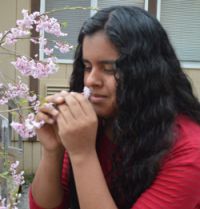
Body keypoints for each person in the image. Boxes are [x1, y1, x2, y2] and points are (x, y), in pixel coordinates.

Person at [29, 6, 200, 209]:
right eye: (87, 67)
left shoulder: (189, 150)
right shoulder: (94, 124)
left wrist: (83, 153)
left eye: (110, 69)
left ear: (147, 73)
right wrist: (53, 149)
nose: (91, 80)